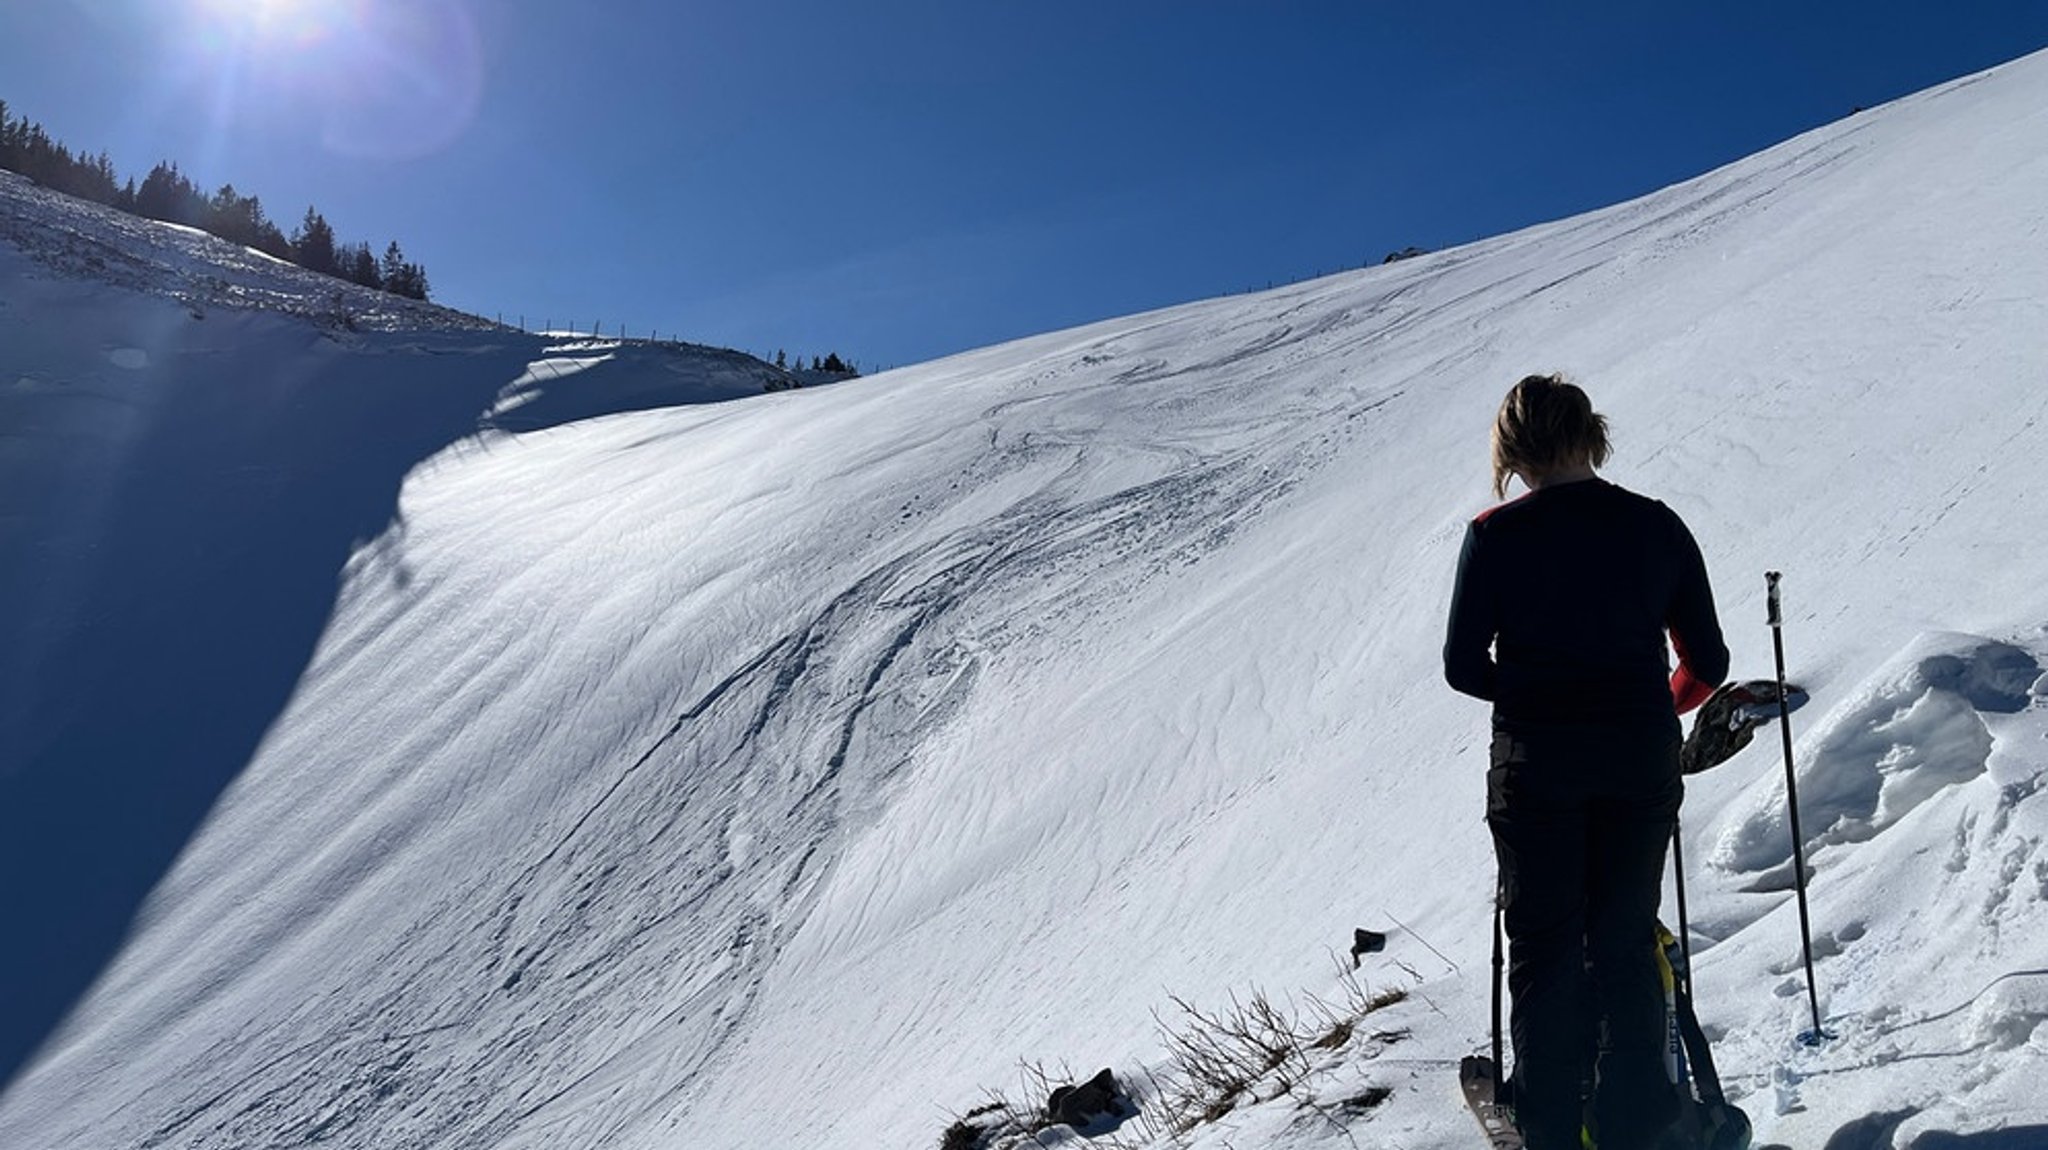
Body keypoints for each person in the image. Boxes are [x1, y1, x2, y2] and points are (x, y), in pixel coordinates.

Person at [1444, 374, 1728, 1150]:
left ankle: (1549, 1129)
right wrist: (1643, 706)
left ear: (1513, 451)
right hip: (1638, 756)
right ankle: (1638, 1122)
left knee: (1544, 946)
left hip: (1538, 762)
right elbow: (1706, 662)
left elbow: (1464, 667)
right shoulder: (1656, 526)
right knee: (1625, 936)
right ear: (1590, 433)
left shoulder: (1497, 535)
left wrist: (1538, 691)